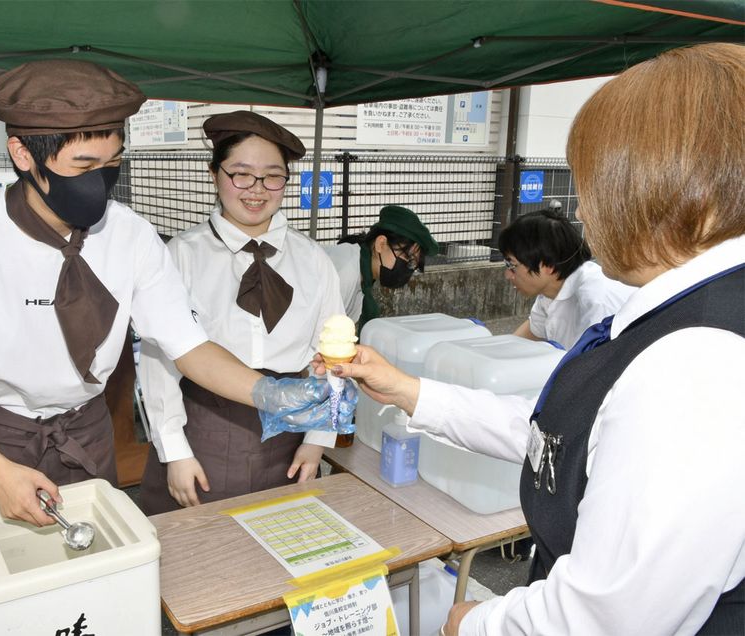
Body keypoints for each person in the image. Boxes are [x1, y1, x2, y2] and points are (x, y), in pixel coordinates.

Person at [318, 43, 744, 635]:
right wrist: (408, 390)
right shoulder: (682, 311)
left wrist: (474, 622)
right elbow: (561, 439)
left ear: (661, 186)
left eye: (592, 182)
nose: (584, 212)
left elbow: (610, 615)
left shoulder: (698, 360)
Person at [0, 60, 353, 529]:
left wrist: (274, 392)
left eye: (113, 163)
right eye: (83, 165)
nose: (100, 180)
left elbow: (186, 348)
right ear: (23, 154)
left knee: (91, 590)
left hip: (86, 434)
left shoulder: (131, 236)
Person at [137, 110, 346, 514]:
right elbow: (158, 360)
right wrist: (174, 450)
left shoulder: (313, 259)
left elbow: (334, 356)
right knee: (201, 555)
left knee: (280, 550)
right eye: (241, 174)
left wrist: (318, 438)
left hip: (289, 436)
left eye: (272, 176)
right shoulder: (181, 254)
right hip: (203, 431)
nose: (257, 189)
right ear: (215, 174)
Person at [499, 208, 633, 349]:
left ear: (547, 265)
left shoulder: (595, 304)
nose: (507, 274)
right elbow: (532, 331)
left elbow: (589, 366)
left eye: (511, 265)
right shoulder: (550, 291)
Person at [323, 205, 438, 335]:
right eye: (407, 257)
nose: (407, 269)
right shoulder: (344, 272)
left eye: (413, 264)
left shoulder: (362, 278)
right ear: (381, 244)